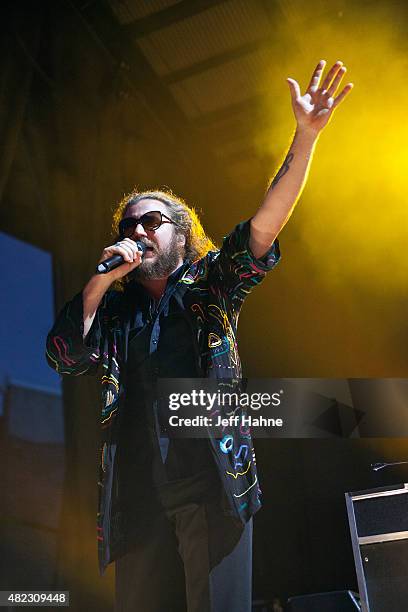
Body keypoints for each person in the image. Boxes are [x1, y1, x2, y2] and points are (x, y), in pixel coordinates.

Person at [46, 60, 353, 612]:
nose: (137, 231)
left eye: (151, 222)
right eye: (128, 226)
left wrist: (304, 138)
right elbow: (63, 356)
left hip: (213, 490)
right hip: (138, 503)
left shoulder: (211, 283)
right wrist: (98, 279)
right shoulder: (114, 310)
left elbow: (266, 223)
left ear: (181, 235)